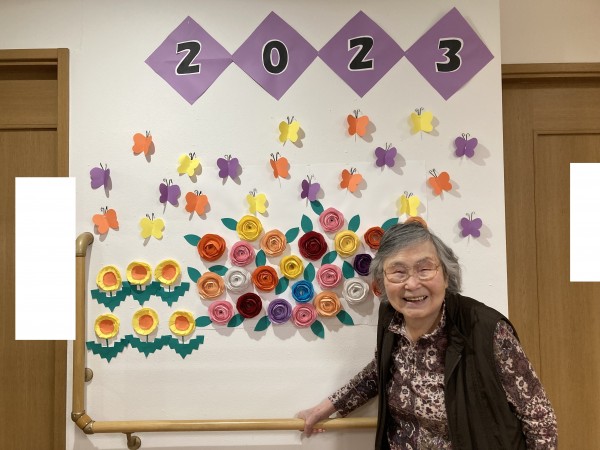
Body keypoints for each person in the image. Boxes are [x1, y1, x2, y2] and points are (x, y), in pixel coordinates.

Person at [298, 221, 557, 449]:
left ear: (446, 275)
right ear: (383, 280)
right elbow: (381, 368)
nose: (412, 284)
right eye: (398, 272)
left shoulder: (486, 329)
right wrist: (325, 408)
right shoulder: (391, 317)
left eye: (424, 269)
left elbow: (539, 417)